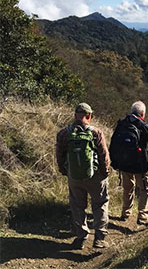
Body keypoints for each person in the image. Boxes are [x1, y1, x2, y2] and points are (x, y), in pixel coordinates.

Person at [56, 103, 110, 250]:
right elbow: (104, 156)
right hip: (95, 176)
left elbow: (59, 155)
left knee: (77, 205)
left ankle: (81, 236)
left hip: (74, 176)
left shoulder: (64, 133)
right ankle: (99, 238)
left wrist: (64, 171)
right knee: (100, 204)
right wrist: (105, 173)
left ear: (75, 116)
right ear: (89, 116)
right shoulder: (96, 133)